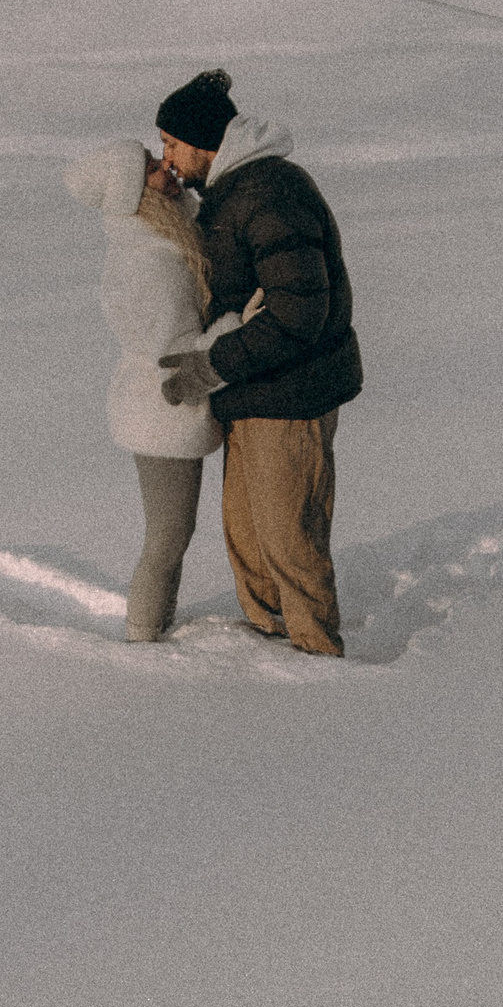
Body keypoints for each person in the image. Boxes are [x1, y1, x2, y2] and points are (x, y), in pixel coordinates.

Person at [154, 69, 362, 657]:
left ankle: (316, 653)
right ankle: (269, 642)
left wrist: (213, 364)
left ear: (203, 143)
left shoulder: (271, 193)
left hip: (292, 393)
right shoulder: (228, 194)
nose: (166, 158)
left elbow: (299, 314)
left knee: (288, 535)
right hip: (252, 390)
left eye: (171, 144)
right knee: (248, 535)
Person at [63, 138, 241, 641]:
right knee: (167, 535)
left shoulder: (159, 239)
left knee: (172, 533)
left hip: (159, 407)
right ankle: (141, 638)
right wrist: (234, 328)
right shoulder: (147, 258)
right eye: (148, 166)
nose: (165, 165)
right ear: (129, 189)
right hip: (162, 409)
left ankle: (154, 626)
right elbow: (175, 349)